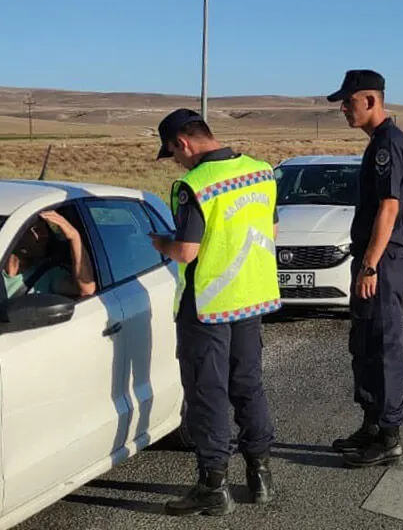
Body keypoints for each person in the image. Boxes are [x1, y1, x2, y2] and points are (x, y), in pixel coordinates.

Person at [149, 108, 281, 516]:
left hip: (207, 306)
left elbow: (187, 251)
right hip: (252, 297)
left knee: (208, 393)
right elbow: (271, 231)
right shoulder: (262, 171)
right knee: (248, 386)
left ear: (183, 143)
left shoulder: (193, 185)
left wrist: (158, 243)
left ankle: (212, 485)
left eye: (172, 153)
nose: (175, 161)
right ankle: (259, 475)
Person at [326, 69, 403, 468]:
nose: (344, 108)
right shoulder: (380, 142)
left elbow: (389, 207)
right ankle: (372, 424)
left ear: (371, 100)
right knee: (363, 344)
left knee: (382, 347)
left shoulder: (388, 144)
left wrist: (371, 266)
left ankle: (389, 435)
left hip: (383, 261)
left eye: (349, 101)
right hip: (373, 260)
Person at [2, 211, 96, 299]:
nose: (45, 235)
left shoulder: (48, 274)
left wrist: (74, 237)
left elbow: (87, 290)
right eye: (36, 229)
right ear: (15, 234)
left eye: (45, 229)